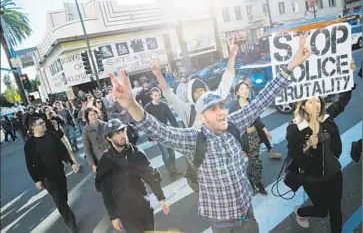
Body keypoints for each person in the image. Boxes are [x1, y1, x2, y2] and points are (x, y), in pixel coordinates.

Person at [108, 34, 311, 233]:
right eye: (213, 109)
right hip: (222, 224)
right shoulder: (193, 139)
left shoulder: (233, 123)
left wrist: (292, 65)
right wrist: (132, 104)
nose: (221, 112)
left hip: (247, 214)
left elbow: (262, 100)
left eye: (221, 106)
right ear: (201, 117)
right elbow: (158, 130)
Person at [286, 61, 356, 232]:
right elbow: (293, 153)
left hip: (334, 173)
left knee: (335, 211)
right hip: (312, 178)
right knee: (322, 211)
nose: (316, 104)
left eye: (318, 100)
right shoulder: (295, 127)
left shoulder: (327, 117)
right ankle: (301, 211)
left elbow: (342, 101)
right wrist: (308, 144)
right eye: (311, 102)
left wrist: (349, 74)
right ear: (302, 105)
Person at [95, 118, 170, 232]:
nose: (122, 135)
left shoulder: (136, 152)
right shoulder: (105, 161)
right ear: (109, 138)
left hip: (144, 206)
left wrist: (161, 198)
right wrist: (113, 216)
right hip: (126, 212)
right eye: (117, 134)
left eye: (123, 131)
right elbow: (106, 192)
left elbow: (151, 176)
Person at [151, 37, 237, 129]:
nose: (200, 93)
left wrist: (231, 56)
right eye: (196, 91)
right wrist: (159, 74)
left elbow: (227, 79)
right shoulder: (187, 110)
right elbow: (168, 94)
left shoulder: (214, 101)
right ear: (191, 94)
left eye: (201, 90)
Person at [24, 117, 79, 233]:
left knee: (63, 196)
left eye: (43, 122)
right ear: (34, 127)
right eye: (40, 123)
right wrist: (36, 180)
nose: (44, 124)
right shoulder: (29, 144)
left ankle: (65, 211)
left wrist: (72, 162)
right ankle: (71, 222)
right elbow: (30, 164)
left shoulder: (51, 135)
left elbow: (63, 150)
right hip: (46, 177)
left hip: (59, 171)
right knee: (58, 198)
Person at [144, 87, 183, 179]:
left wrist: (178, 131)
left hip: (167, 131)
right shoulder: (147, 108)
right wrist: (150, 137)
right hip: (157, 134)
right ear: (151, 96)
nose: (158, 97)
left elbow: (172, 118)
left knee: (172, 152)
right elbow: (146, 124)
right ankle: (170, 172)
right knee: (165, 154)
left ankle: (174, 169)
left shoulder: (164, 105)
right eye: (155, 95)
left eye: (159, 95)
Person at [82, 107, 109, 173]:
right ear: (87, 117)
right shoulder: (85, 130)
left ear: (97, 114)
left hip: (110, 155)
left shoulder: (105, 125)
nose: (93, 116)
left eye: (94, 114)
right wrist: (92, 164)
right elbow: (87, 148)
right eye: (90, 115)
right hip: (98, 159)